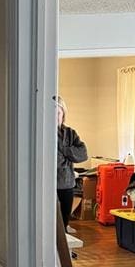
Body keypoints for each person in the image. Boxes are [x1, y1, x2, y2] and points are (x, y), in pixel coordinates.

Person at [57, 96, 88, 230]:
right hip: (46, 183)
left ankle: (62, 247)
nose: (54, 116)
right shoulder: (41, 132)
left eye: (58, 112)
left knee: (63, 220)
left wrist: (65, 150)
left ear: (63, 114)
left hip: (66, 183)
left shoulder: (70, 133)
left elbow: (83, 154)